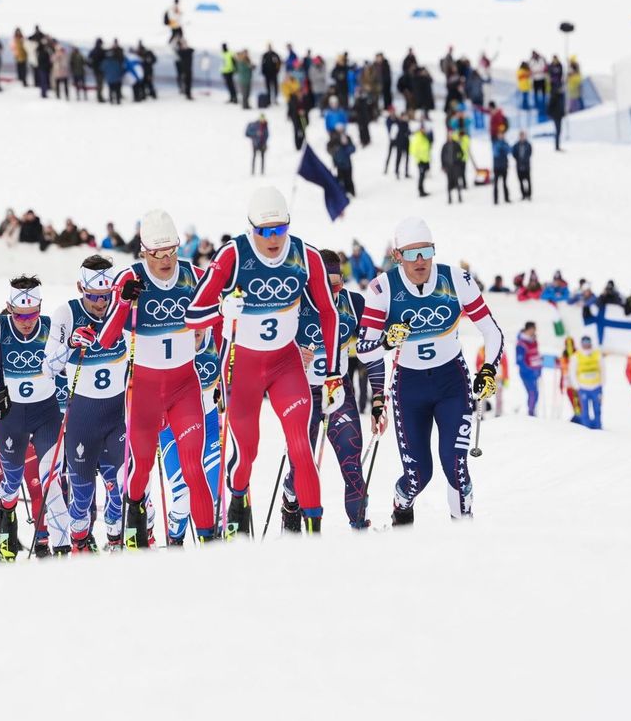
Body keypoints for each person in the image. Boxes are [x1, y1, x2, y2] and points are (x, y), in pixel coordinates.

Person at [186, 187, 338, 535]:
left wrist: (333, 374)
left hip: (286, 362)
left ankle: (314, 531)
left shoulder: (306, 256)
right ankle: (238, 498)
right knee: (247, 452)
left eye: (280, 229)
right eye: (265, 231)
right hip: (242, 365)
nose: (273, 238)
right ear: (250, 228)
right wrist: (221, 309)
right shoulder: (232, 255)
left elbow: (328, 312)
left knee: (301, 443)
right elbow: (193, 313)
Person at [358, 218, 504, 523]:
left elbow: (492, 332)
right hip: (409, 388)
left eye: (426, 251)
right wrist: (386, 341)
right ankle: (401, 507)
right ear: (397, 256)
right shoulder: (382, 288)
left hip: (451, 381)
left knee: (456, 466)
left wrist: (489, 369)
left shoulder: (457, 280)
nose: (420, 261)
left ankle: (463, 531)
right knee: (418, 477)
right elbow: (363, 349)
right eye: (411, 254)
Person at [101, 211, 219, 543]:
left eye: (171, 251)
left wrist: (225, 311)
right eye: (158, 253)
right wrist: (124, 302)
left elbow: (219, 316)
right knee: (140, 470)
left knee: (193, 468)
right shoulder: (128, 278)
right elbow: (107, 339)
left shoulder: (195, 276)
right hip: (145, 391)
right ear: (144, 251)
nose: (166, 260)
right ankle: (138, 532)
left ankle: (209, 542)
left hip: (184, 387)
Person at [279, 249, 378, 531]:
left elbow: (376, 335)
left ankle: (359, 526)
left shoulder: (352, 302)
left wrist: (393, 336)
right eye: (328, 284)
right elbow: (268, 344)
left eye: (339, 283)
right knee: (302, 466)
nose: (336, 290)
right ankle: (290, 500)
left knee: (351, 463)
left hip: (338, 389)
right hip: (303, 392)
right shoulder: (295, 303)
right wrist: (292, 352)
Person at [43, 254, 131, 551]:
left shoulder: (122, 310)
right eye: (93, 296)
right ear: (81, 287)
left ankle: (116, 539)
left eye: (106, 295)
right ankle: (80, 542)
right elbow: (48, 367)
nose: (100, 303)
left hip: (115, 416)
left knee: (121, 486)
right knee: (81, 497)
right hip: (82, 420)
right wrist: (69, 346)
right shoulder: (66, 314)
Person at [0, 276, 68, 558]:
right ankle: (7, 516)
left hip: (46, 413)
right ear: (9, 308)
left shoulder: (51, 327)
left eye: (32, 313)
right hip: (11, 416)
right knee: (11, 483)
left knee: (51, 480)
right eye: (20, 314)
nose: (27, 320)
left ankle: (61, 545)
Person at [573, 335, 602, 430]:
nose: (586, 345)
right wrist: (577, 386)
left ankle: (598, 428)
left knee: (597, 409)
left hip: (596, 387)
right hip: (583, 388)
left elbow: (603, 369)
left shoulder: (597, 354)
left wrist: (601, 383)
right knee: (585, 410)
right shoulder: (576, 356)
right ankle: (587, 429)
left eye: (588, 343)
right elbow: (572, 372)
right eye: (584, 343)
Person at [514, 321, 541, 416]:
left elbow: (536, 355)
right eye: (533, 329)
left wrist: (539, 368)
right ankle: (531, 413)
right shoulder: (521, 344)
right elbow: (520, 361)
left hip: (535, 372)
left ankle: (532, 412)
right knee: (532, 393)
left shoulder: (534, 340)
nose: (534, 332)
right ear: (528, 329)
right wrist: (530, 371)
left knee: (536, 394)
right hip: (527, 373)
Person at [410, 122, 432, 197]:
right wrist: (419, 158)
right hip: (420, 160)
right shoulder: (418, 137)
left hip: (425, 159)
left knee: (423, 176)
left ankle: (422, 190)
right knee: (421, 176)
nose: (424, 130)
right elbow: (413, 150)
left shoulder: (424, 137)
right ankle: (420, 191)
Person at [491, 134, 511, 204]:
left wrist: (502, 148)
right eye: (500, 135)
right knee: (496, 184)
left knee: (505, 183)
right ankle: (495, 200)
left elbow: (509, 151)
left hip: (504, 166)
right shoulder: (495, 143)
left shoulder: (505, 143)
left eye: (502, 135)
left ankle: (507, 198)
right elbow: (496, 153)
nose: (501, 136)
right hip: (497, 167)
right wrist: (502, 149)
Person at [514, 131, 533, 199]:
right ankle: (523, 195)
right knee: (521, 181)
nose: (522, 137)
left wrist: (525, 160)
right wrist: (518, 159)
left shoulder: (528, 145)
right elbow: (514, 154)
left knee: (528, 181)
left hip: (526, 165)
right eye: (521, 136)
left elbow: (530, 153)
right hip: (519, 165)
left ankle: (529, 195)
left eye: (523, 136)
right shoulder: (516, 145)